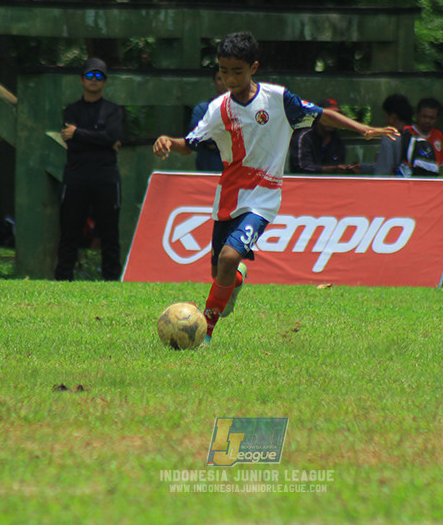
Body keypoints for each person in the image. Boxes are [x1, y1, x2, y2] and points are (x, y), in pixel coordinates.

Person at [153, 32, 398, 344]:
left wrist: (363, 128)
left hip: (264, 196)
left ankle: (207, 331)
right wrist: (168, 142)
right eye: (224, 71)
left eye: (237, 71)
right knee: (220, 273)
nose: (230, 79)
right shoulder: (218, 109)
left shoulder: (277, 99)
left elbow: (321, 114)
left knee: (228, 257)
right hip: (229, 196)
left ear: (253, 68)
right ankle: (235, 279)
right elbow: (190, 144)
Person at [55, 57, 124, 281]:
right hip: (77, 177)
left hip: (106, 178)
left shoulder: (113, 110)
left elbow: (112, 136)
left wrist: (79, 133)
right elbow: (74, 143)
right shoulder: (72, 110)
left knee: (110, 233)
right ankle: (63, 279)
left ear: (105, 81)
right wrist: (101, 140)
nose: (94, 80)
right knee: (70, 231)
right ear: (82, 79)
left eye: (99, 76)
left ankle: (111, 281)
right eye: (90, 75)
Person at [288, 98, 361, 174]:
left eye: (335, 116)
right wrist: (334, 169)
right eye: (328, 116)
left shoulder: (338, 141)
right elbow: (301, 168)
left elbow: (339, 168)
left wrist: (349, 169)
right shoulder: (304, 137)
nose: (332, 120)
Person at [395, 97, 443, 177]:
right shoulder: (407, 132)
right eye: (424, 116)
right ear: (417, 115)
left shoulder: (438, 135)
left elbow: (439, 164)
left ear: (437, 118)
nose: (427, 121)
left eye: (431, 118)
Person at [189, 66, 226, 172]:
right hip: (208, 173)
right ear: (214, 82)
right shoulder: (202, 110)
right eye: (220, 79)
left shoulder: (245, 110)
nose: (224, 82)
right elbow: (196, 138)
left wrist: (213, 140)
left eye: (226, 78)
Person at [373, 93, 414, 176]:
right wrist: (363, 167)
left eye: (386, 116)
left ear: (393, 118)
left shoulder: (390, 138)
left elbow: (382, 173)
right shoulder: (414, 136)